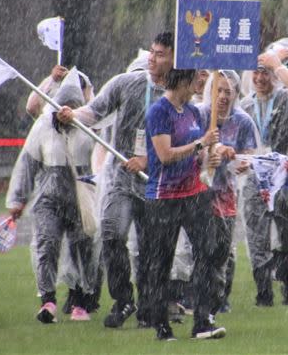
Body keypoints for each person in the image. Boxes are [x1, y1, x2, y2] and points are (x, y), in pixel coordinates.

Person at [56, 32, 173, 328]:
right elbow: (94, 112)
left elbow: (181, 138)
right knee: (111, 234)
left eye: (160, 54)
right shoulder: (126, 83)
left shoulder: (176, 95)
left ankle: (149, 307)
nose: (152, 58)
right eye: (152, 51)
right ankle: (124, 300)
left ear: (173, 57)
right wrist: (73, 115)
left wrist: (149, 159)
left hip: (155, 183)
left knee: (151, 249)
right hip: (121, 179)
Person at [7, 68, 99, 324]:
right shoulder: (43, 126)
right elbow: (27, 164)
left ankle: (81, 300)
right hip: (48, 198)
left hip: (81, 199)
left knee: (83, 249)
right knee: (46, 245)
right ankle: (47, 300)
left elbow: (102, 160)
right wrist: (18, 199)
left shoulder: (90, 128)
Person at [142, 67, 226, 341]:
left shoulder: (193, 112)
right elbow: (165, 155)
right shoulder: (159, 112)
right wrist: (200, 145)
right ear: (183, 80)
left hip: (194, 194)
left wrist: (207, 159)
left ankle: (202, 321)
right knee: (161, 262)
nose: (201, 83)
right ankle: (161, 325)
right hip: (164, 197)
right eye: (197, 79)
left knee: (208, 252)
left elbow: (197, 156)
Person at [239, 45, 288, 306]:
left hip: (284, 179)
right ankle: (263, 292)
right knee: (257, 238)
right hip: (255, 181)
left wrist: (277, 64)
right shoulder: (244, 106)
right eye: (255, 73)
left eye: (265, 73)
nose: (259, 78)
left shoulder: (283, 99)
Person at [197, 70, 258, 314]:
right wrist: (215, 149)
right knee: (202, 247)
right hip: (198, 189)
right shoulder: (200, 115)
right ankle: (202, 297)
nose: (222, 96)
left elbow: (251, 154)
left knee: (223, 247)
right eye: (218, 90)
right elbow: (194, 145)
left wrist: (243, 162)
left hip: (226, 191)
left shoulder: (242, 121)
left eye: (228, 92)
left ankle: (220, 296)